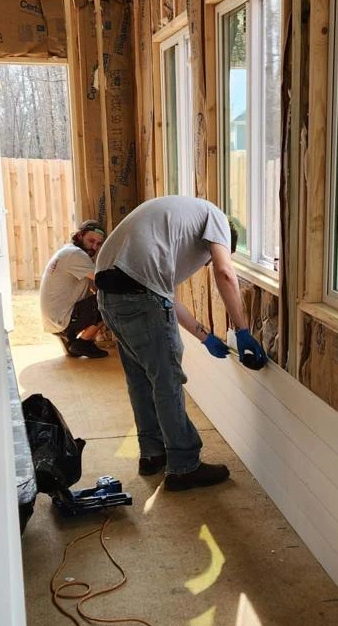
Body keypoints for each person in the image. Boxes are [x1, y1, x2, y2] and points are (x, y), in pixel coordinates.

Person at [95, 194, 267, 492]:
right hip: (140, 296)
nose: (206, 264)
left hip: (109, 297)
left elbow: (167, 300)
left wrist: (205, 337)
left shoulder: (172, 228)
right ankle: (184, 465)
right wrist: (242, 330)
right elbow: (225, 273)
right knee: (167, 381)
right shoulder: (219, 221)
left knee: (141, 378)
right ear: (224, 241)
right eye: (211, 257)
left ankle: (153, 453)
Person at [39, 220, 107, 359]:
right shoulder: (76, 255)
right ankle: (84, 342)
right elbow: (102, 280)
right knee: (110, 299)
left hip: (54, 320)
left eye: (98, 244)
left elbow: (93, 286)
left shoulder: (68, 250)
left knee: (101, 296)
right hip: (62, 319)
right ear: (80, 236)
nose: (94, 246)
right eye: (91, 240)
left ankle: (71, 340)